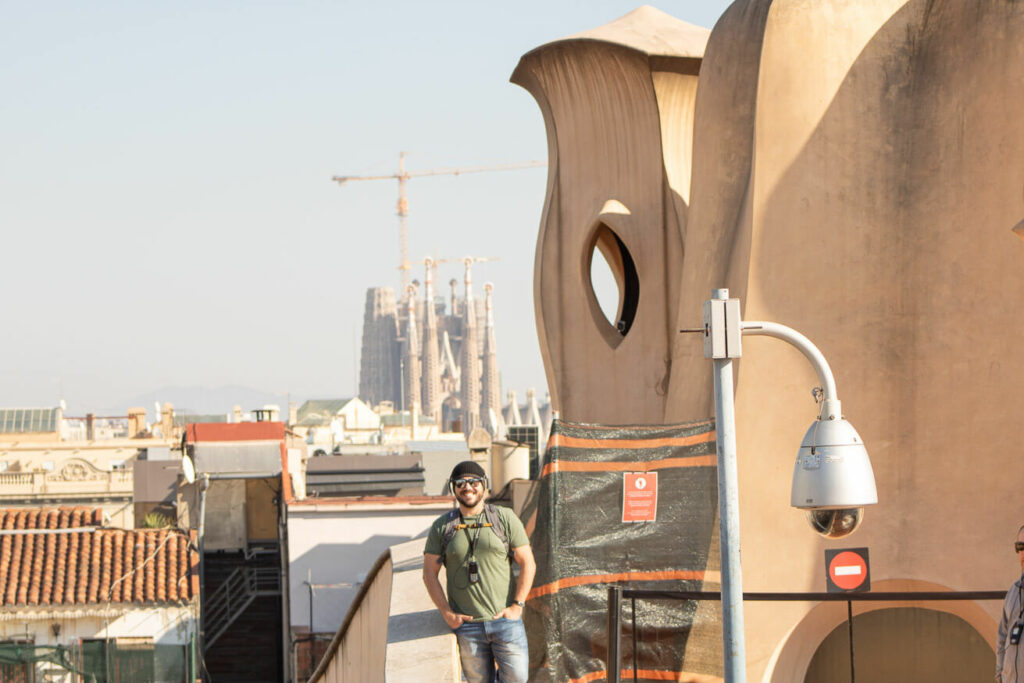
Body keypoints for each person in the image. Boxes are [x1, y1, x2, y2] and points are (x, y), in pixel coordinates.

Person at [423, 461, 536, 682]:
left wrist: (517, 605)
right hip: (468, 627)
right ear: (453, 488)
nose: (468, 487)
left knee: (517, 678)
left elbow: (528, 563)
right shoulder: (442, 527)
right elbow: (429, 574)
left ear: (484, 485)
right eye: (461, 483)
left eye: (474, 482)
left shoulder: (503, 518)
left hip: (505, 621)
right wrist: (447, 613)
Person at [997, 524, 1024, 682]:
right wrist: (1000, 674)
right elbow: (1002, 635)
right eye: (1020, 547)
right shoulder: (1013, 591)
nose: (1023, 553)